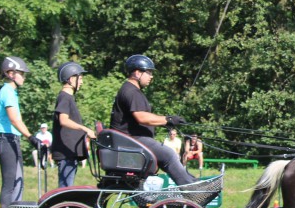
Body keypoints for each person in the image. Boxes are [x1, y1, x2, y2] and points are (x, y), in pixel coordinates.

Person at [110, 54, 195, 186]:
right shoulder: (131, 92)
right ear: (137, 73)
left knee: (168, 153)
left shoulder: (131, 90)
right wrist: (168, 119)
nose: (151, 76)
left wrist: (165, 122)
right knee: (169, 154)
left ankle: (189, 181)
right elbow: (142, 117)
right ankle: (190, 187)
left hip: (132, 140)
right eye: (148, 72)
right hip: (132, 141)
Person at [0, 56, 40, 208]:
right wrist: (31, 137)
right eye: (21, 73)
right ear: (11, 74)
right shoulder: (7, 91)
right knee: (9, 185)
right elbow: (14, 119)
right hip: (6, 140)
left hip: (12, 140)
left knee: (17, 182)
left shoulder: (11, 92)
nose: (24, 77)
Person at [50, 62, 97, 187]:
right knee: (65, 189)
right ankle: (62, 207)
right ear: (71, 79)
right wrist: (85, 129)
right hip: (66, 153)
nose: (81, 82)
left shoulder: (68, 98)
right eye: (80, 78)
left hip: (70, 152)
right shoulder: (64, 97)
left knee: (67, 188)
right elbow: (63, 120)